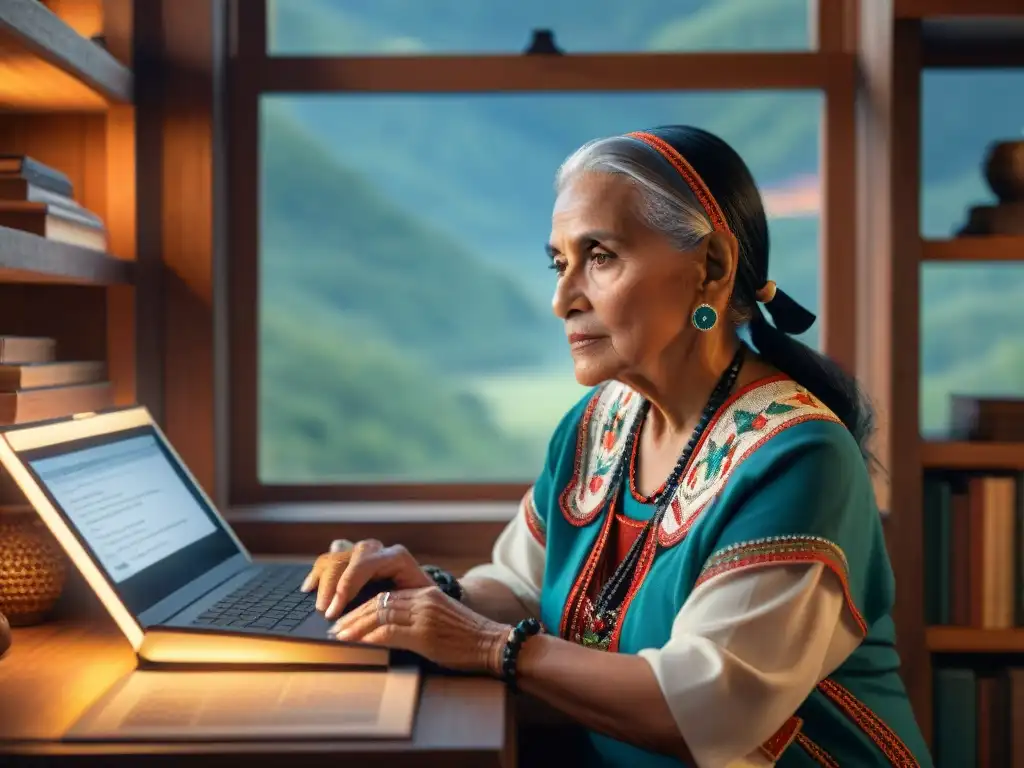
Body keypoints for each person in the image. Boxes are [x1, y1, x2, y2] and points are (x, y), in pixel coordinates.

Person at [301, 126, 932, 768]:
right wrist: (431, 597)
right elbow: (521, 587)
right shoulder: (600, 422)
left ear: (710, 267)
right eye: (559, 263)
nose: (562, 299)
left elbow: (701, 710)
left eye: (599, 256)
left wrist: (491, 646)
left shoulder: (798, 458)